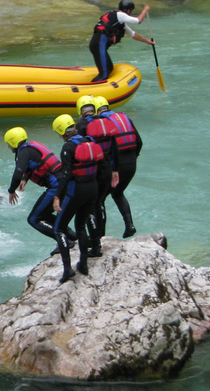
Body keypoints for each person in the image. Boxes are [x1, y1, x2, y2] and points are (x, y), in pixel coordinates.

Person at [51, 114, 108, 283]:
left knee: (59, 229)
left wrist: (57, 197)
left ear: (62, 132)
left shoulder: (68, 148)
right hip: (93, 188)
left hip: (77, 190)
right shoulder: (90, 141)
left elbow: (66, 175)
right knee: (81, 226)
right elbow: (103, 167)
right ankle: (83, 263)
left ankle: (67, 269)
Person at [4, 127, 77, 255]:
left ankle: (63, 240)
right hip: (64, 183)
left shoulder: (23, 153)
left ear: (14, 142)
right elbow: (36, 164)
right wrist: (25, 179)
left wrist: (11, 190)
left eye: (9, 144)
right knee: (44, 214)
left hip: (56, 186)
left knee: (34, 219)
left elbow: (17, 173)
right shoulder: (30, 148)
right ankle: (70, 234)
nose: (8, 147)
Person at [89, 96, 142, 238]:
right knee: (118, 193)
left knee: (99, 200)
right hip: (131, 163)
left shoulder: (102, 122)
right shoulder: (124, 118)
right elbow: (139, 142)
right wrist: (132, 158)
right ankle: (130, 225)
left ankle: (100, 236)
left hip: (116, 166)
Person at [75, 95, 113, 237]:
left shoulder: (81, 125)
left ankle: (94, 238)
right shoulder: (105, 121)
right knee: (100, 203)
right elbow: (113, 146)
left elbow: (80, 149)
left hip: (94, 171)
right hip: (108, 167)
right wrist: (115, 170)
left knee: (89, 206)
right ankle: (102, 235)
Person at [90, 0, 154, 82]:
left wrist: (147, 41)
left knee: (110, 69)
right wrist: (145, 9)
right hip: (98, 44)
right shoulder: (120, 15)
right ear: (128, 10)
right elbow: (138, 21)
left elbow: (132, 34)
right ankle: (88, 91)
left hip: (97, 44)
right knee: (104, 75)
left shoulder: (118, 21)